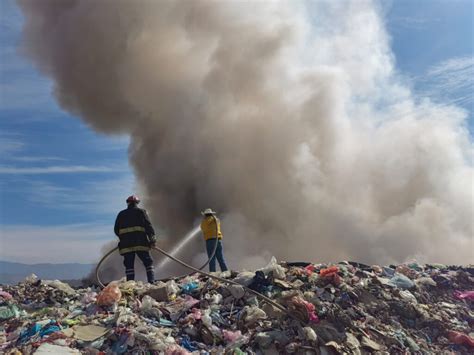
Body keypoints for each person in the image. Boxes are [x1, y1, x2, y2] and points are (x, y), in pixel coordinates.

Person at [114, 195, 157, 283]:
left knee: (129, 266)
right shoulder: (141, 212)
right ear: (137, 203)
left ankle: (130, 284)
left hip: (126, 245)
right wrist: (152, 240)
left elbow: (116, 230)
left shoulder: (121, 214)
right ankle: (152, 282)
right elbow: (149, 227)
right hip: (141, 243)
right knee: (148, 262)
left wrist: (124, 238)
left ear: (128, 203)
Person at [200, 208, 228, 272]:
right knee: (221, 258)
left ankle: (213, 274)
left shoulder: (204, 222)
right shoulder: (217, 220)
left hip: (210, 241)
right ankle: (225, 272)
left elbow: (202, 228)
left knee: (211, 259)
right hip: (218, 241)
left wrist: (205, 220)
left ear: (205, 215)